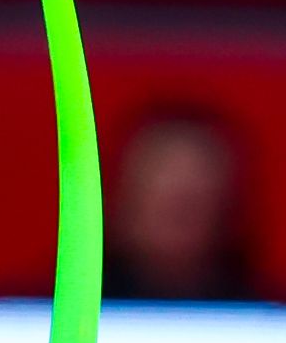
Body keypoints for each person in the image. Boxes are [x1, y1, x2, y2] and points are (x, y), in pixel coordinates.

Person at [105, 103, 260, 304]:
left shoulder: (267, 324)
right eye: (160, 170)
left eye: (201, 174)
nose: (181, 190)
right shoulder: (57, 313)